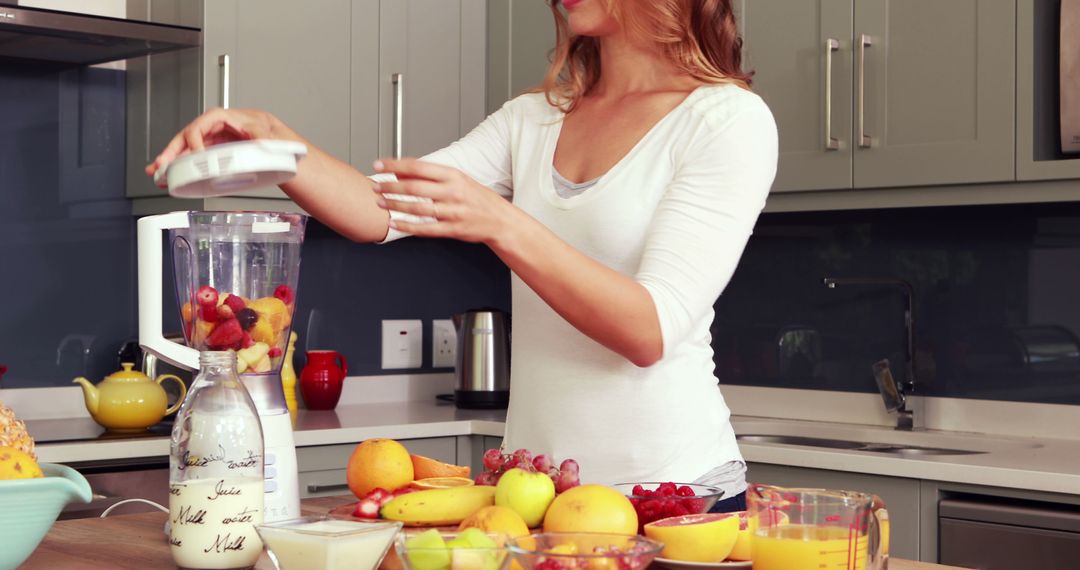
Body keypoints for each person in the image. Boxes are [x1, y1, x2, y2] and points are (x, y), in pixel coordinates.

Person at [147, 0, 777, 512]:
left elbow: (649, 330)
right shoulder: (534, 119)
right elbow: (379, 210)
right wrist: (276, 144)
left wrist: (502, 224)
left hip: (677, 497)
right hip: (535, 497)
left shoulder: (724, 121)